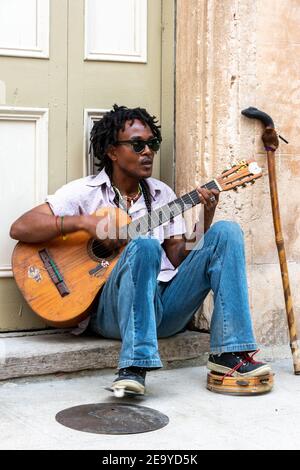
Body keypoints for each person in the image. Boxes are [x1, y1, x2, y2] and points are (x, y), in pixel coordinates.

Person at [10, 104, 272, 396]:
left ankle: (229, 355)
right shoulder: (85, 192)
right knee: (144, 245)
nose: (147, 151)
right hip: (111, 312)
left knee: (227, 231)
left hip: (165, 308)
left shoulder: (162, 195)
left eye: (152, 144)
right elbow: (21, 228)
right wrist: (84, 222)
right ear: (112, 151)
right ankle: (134, 367)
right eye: (137, 145)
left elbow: (177, 256)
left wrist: (204, 218)